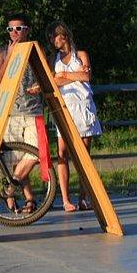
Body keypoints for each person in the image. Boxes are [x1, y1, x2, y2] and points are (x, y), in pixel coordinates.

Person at [47, 21, 101, 212]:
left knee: (84, 155)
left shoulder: (81, 55)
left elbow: (86, 77)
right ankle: (65, 199)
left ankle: (84, 197)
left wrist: (64, 76)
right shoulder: (53, 59)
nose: (52, 40)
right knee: (62, 154)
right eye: (50, 37)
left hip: (83, 106)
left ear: (64, 35)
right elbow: (53, 80)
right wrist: (72, 75)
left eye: (54, 35)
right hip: (64, 107)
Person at [0, 13, 44, 214]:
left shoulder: (35, 49)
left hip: (33, 110)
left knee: (35, 153)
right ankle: (28, 198)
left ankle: (10, 188)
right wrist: (9, 55)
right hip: (11, 111)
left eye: (18, 28)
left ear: (27, 30)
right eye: (10, 29)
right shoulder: (1, 51)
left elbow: (45, 75)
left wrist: (39, 85)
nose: (14, 32)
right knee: (13, 158)